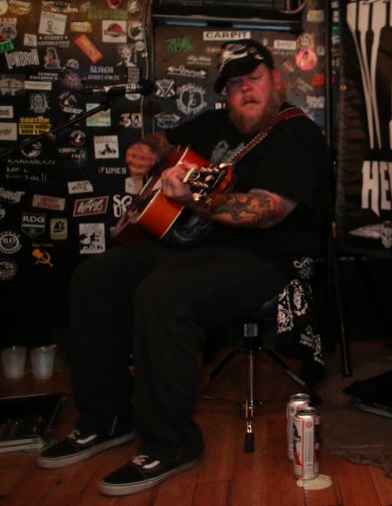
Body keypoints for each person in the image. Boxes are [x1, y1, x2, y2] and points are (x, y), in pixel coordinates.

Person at [37, 39, 330, 496]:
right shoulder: (216, 123)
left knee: (165, 293)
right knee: (96, 277)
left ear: (276, 80)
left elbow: (266, 211)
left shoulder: (297, 135)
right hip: (198, 248)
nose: (244, 90)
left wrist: (196, 199)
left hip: (269, 258)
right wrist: (149, 151)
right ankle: (106, 417)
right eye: (233, 84)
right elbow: (166, 141)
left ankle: (171, 443)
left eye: (253, 78)